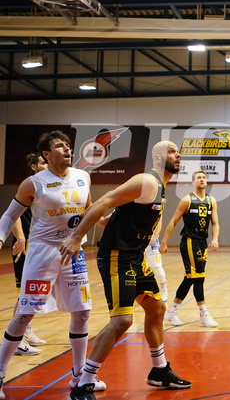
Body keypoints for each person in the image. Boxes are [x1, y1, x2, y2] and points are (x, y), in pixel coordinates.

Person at [61, 141, 190, 399]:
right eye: (173, 150)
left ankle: (159, 370)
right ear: (157, 158)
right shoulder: (147, 181)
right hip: (117, 256)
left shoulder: (161, 187)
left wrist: (106, 221)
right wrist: (76, 237)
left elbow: (115, 213)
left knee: (156, 308)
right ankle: (84, 382)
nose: (178, 154)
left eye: (179, 151)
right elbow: (105, 200)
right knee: (122, 320)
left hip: (135, 257)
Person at [0, 131, 101, 399]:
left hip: (73, 253)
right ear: (47, 154)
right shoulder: (33, 183)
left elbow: (89, 210)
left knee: (82, 313)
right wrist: (0, 237)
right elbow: (10, 215)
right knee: (24, 316)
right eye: (59, 146)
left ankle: (79, 375)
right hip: (43, 254)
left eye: (68, 145)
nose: (67, 149)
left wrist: (110, 221)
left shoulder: (83, 177)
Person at [162, 170, 220, 328]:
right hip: (189, 242)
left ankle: (171, 311)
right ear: (193, 182)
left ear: (206, 182)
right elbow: (173, 221)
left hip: (202, 243)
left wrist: (214, 239)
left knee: (190, 278)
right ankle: (203, 314)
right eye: (198, 178)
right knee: (199, 277)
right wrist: (164, 242)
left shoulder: (211, 201)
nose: (201, 180)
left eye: (204, 178)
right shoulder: (187, 200)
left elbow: (214, 223)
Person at [9, 153, 48, 357]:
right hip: (26, 249)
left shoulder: (47, 188)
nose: (47, 165)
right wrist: (21, 238)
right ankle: (17, 341)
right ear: (33, 167)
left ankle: (27, 331)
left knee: (34, 296)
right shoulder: (29, 186)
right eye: (42, 163)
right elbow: (11, 215)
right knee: (25, 295)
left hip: (39, 250)